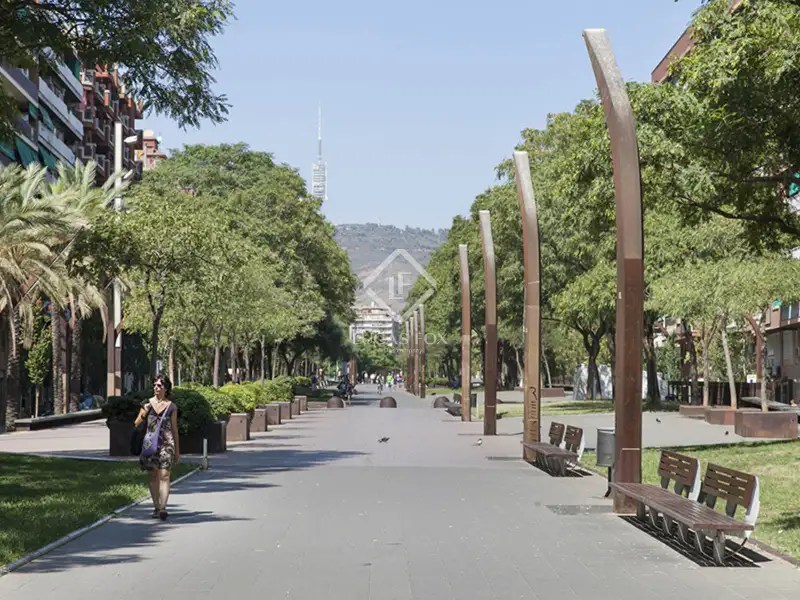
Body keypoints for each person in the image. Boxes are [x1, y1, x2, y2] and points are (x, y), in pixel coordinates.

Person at [135, 374, 180, 521]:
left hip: (167, 444)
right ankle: (156, 506)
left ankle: (163, 508)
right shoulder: (146, 403)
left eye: (159, 385)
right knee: (153, 475)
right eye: (154, 385)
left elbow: (174, 429)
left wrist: (177, 451)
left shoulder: (172, 407)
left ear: (166, 388)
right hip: (150, 444)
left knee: (165, 474)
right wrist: (145, 412)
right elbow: (136, 422)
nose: (156, 388)